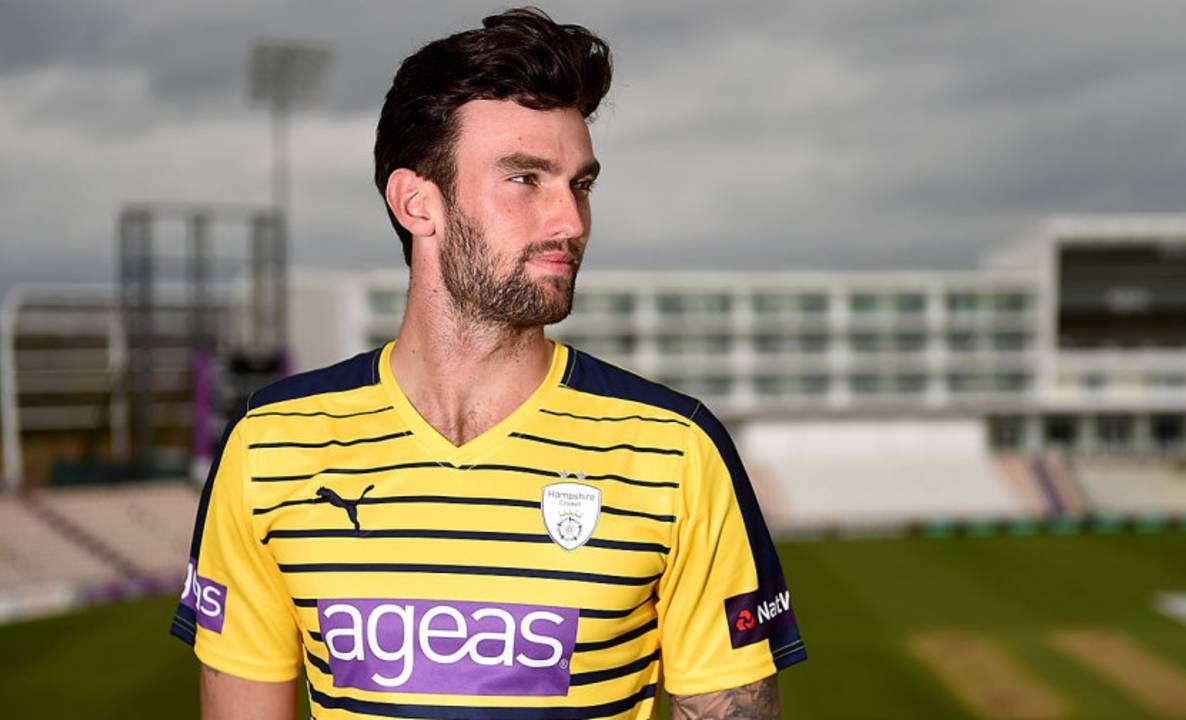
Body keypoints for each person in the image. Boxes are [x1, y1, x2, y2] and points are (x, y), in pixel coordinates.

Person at [171, 8, 805, 719]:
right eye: (526, 180)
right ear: (417, 203)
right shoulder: (270, 445)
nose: (569, 221)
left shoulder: (679, 451)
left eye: (581, 184)